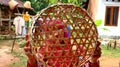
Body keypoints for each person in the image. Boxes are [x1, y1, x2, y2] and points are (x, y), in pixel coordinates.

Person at [24, 19, 101, 67]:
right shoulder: (43, 51)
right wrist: (32, 61)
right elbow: (36, 64)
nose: (56, 34)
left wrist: (93, 61)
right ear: (47, 35)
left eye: (59, 29)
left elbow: (87, 63)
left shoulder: (76, 50)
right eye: (51, 32)